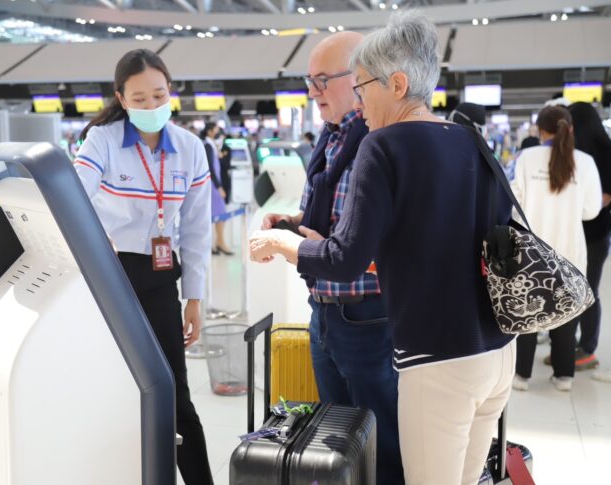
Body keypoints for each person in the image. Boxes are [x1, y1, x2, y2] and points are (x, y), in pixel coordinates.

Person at [249, 12, 516, 485]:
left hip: (437, 357)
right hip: (496, 353)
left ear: (395, 84)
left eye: (363, 86)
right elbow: (493, 239)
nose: (360, 100)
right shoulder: (470, 137)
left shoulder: (384, 143)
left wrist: (284, 243)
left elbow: (346, 259)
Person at [260, 30, 403, 485]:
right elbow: (335, 214)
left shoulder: (381, 141)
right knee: (338, 437)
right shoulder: (332, 138)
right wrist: (294, 220)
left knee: (380, 441)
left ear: (360, 78)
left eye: (323, 79)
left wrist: (298, 246)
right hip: (323, 310)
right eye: (309, 80)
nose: (313, 91)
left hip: (366, 315)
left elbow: (373, 238)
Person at [75, 49, 213, 485]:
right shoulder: (103, 140)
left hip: (160, 278)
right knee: (116, 389)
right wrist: (100, 238)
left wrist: (195, 297)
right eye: (140, 99)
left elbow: (195, 229)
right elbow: (74, 198)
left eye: (159, 95)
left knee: (174, 392)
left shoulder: (191, 148)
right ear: (121, 97)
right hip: (110, 276)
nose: (152, 106)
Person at [511, 105, 602, 392]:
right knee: (565, 312)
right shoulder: (585, 162)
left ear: (540, 130)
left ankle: (522, 376)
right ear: (570, 129)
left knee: (528, 311)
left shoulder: (527, 157)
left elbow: (514, 204)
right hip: (570, 252)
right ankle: (564, 376)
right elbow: (590, 210)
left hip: (531, 252)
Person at [563, 102, 611, 371]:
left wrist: (577, 204)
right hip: (572, 232)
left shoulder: (605, 153)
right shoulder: (570, 151)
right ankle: (567, 345)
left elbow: (605, 198)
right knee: (569, 289)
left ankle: (587, 348)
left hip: (594, 235)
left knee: (589, 291)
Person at [201, 122, 233, 255]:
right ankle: (220, 243)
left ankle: (216, 243)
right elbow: (211, 168)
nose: (217, 132)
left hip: (214, 184)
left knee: (218, 214)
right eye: (215, 129)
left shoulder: (211, 145)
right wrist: (219, 187)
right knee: (220, 214)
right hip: (213, 185)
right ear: (209, 131)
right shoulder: (208, 146)